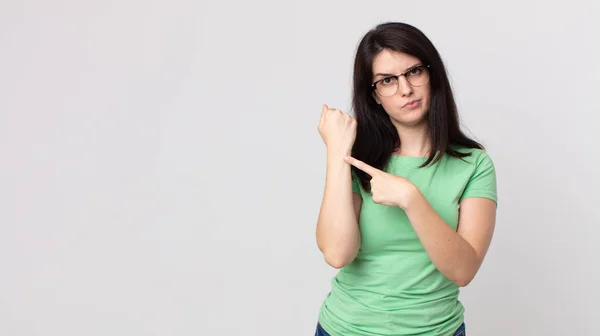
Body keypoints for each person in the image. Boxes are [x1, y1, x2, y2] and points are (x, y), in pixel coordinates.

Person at [314, 22, 498, 336]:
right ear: (373, 95)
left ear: (432, 75)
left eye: (414, 72)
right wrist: (337, 152)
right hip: (344, 329)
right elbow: (337, 253)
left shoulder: (473, 165)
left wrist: (411, 199)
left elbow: (463, 271)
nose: (405, 89)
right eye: (387, 80)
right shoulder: (360, 160)